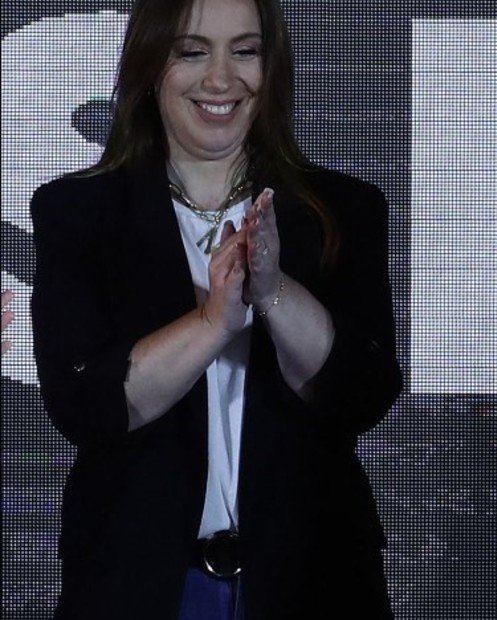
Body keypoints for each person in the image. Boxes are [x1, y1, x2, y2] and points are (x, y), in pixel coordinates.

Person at [28, 0, 400, 617]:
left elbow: (363, 394)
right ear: (150, 67)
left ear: (271, 67)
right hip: (140, 585)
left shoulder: (343, 210)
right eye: (192, 52)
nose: (221, 79)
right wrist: (210, 324)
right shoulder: (78, 212)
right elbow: (86, 406)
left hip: (312, 582)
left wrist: (273, 290)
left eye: (245, 51)